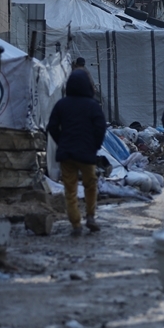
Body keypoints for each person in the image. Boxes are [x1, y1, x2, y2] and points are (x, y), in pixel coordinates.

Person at [47, 70, 107, 236]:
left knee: (70, 190)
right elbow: (101, 127)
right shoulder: (93, 106)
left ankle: (76, 224)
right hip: (87, 154)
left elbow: (51, 126)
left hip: (67, 155)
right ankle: (90, 216)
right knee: (90, 185)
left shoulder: (61, 104)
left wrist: (62, 142)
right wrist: (95, 145)